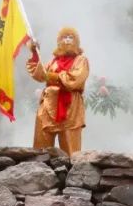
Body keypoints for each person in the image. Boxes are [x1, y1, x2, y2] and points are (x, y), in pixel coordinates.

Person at [26, 27, 89, 155]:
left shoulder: (81, 60)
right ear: (59, 42)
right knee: (40, 151)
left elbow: (76, 79)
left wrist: (55, 77)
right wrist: (34, 52)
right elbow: (40, 74)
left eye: (71, 37)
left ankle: (72, 173)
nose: (67, 40)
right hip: (48, 106)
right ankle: (39, 172)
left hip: (70, 107)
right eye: (64, 37)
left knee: (71, 153)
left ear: (77, 41)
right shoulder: (53, 62)